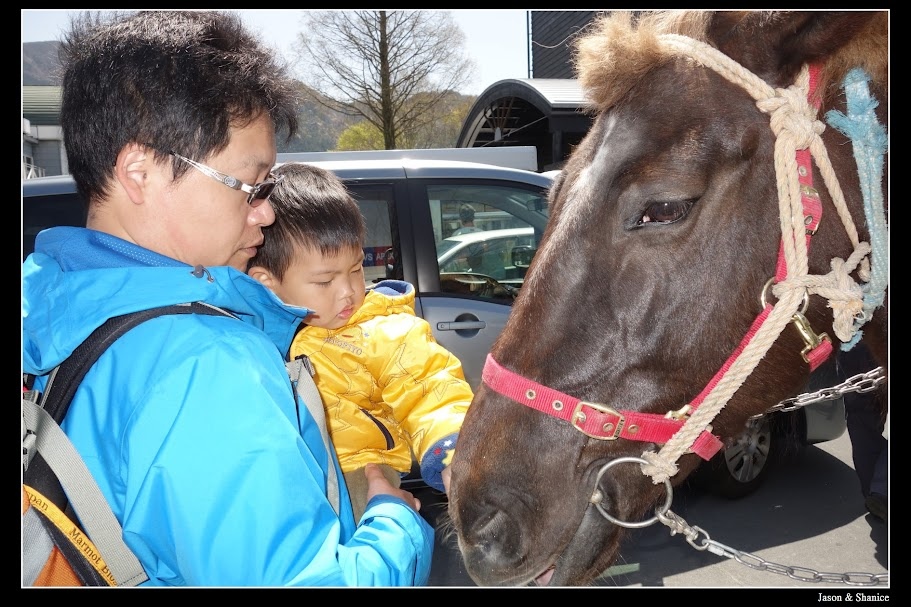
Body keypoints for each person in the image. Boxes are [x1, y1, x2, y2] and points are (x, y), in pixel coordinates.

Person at [21, 10, 433, 586]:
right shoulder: (200, 363)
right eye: (251, 185)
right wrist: (395, 525)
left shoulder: (54, 304)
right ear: (139, 172)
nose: (265, 212)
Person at [248, 162, 473, 521]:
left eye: (356, 270)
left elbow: (428, 383)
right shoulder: (248, 335)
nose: (349, 292)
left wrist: (454, 445)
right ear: (265, 281)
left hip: (359, 473)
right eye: (325, 281)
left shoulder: (380, 327)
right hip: (285, 475)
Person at [838, 343, 888, 523]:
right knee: (863, 423)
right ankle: (881, 492)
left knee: (863, 424)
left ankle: (875, 493)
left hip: (858, 339)